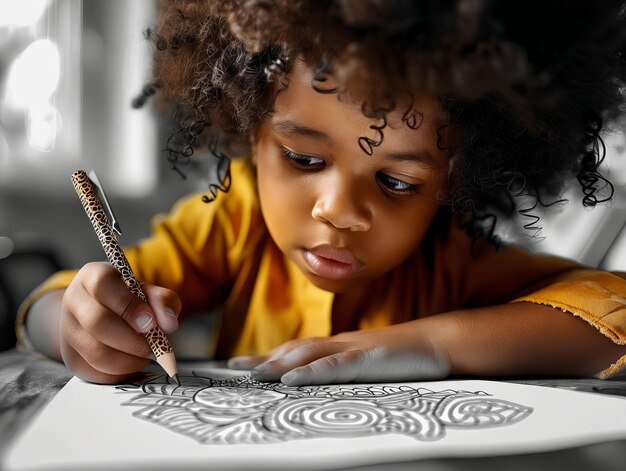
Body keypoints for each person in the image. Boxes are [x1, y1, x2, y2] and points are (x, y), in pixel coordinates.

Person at [17, 0, 626, 385]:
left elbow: (612, 313)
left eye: (398, 182)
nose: (337, 210)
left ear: (455, 179)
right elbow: (72, 301)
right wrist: (75, 322)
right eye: (304, 157)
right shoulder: (233, 222)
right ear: (249, 128)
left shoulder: (451, 256)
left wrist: (430, 343)